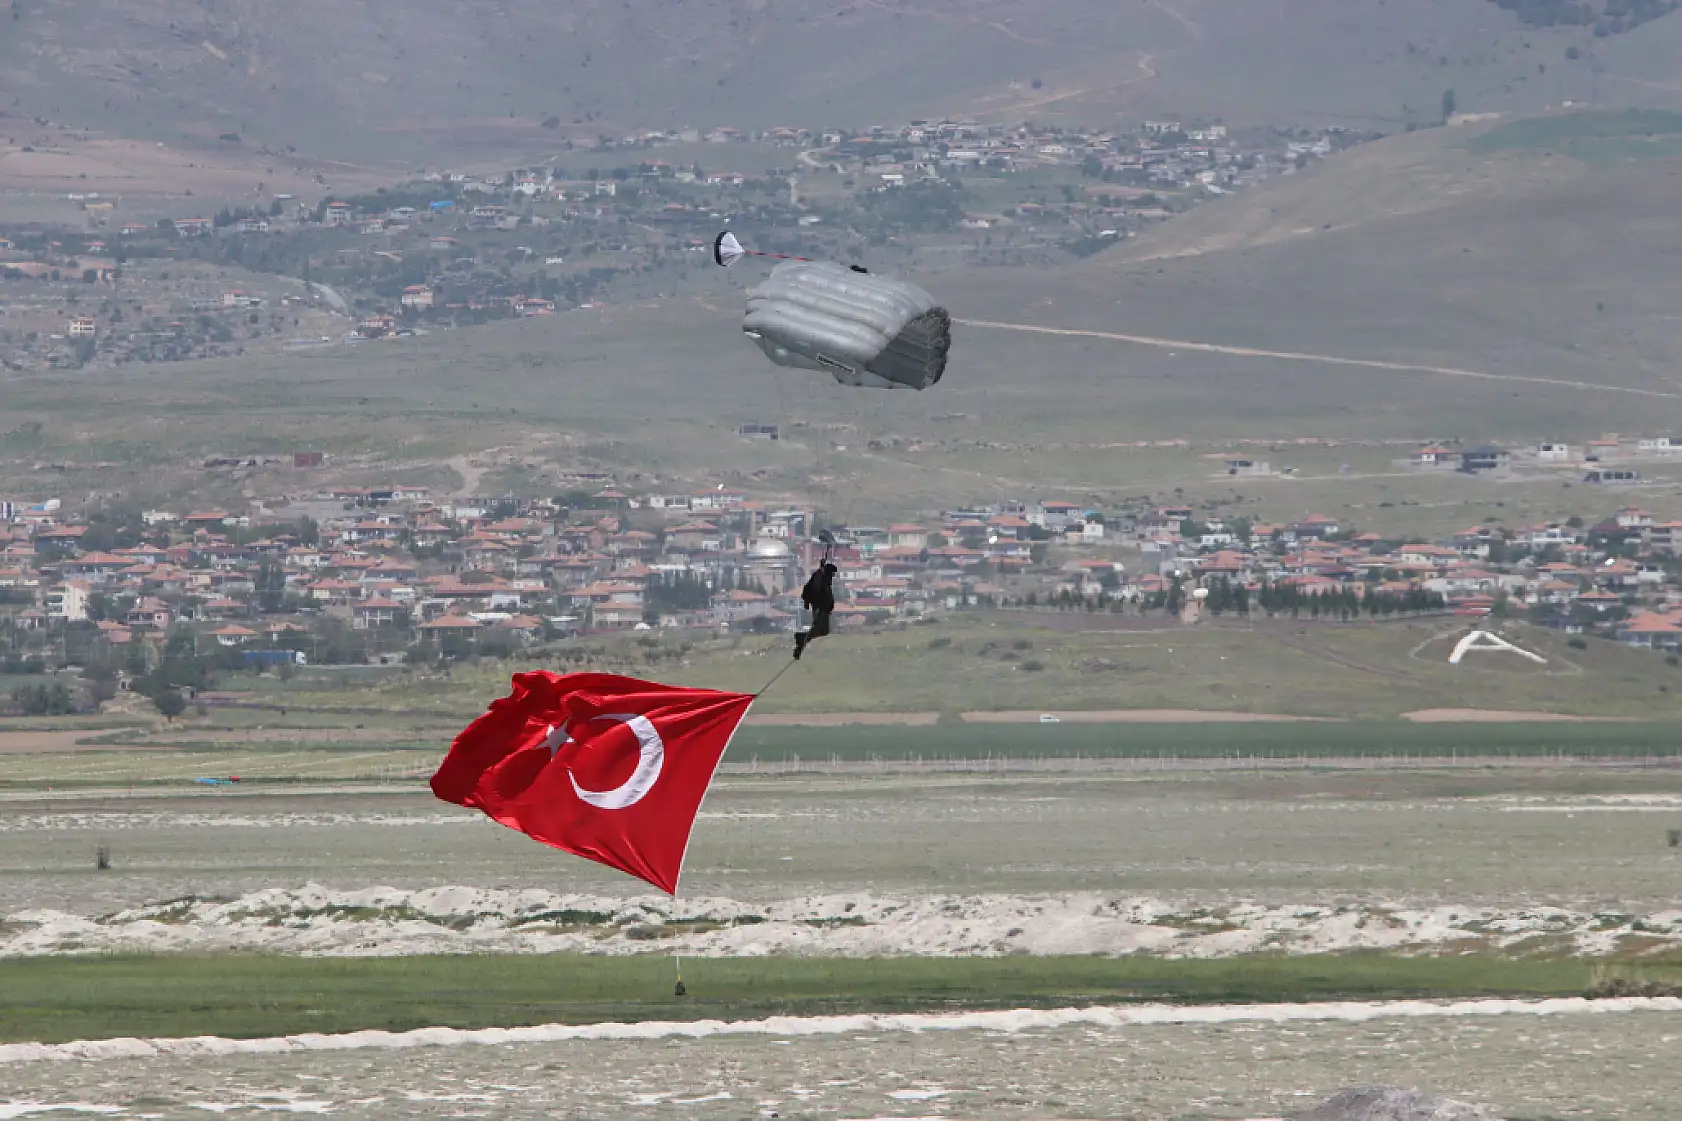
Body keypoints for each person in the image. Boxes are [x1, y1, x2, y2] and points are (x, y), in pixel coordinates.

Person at [793, 562, 838, 660]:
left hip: (823, 608)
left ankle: (802, 638)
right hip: (820, 608)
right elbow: (810, 589)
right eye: (832, 574)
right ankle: (801, 641)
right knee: (818, 629)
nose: (833, 576)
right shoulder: (820, 578)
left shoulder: (822, 577)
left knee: (824, 631)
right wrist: (808, 602)